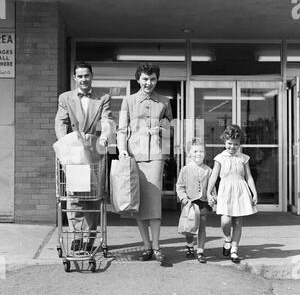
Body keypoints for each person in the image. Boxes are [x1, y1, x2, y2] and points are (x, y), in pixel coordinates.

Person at [55, 61, 114, 250]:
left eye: (86, 75)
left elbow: (106, 120)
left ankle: (89, 238)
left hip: (94, 151)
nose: (83, 79)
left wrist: (105, 137)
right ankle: (76, 236)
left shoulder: (103, 97)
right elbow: (60, 122)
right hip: (74, 153)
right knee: (75, 197)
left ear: (92, 76)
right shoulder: (65, 98)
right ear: (75, 78)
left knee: (92, 198)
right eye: (79, 76)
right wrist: (67, 146)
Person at [117, 63, 173, 264]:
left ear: (157, 80)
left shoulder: (165, 102)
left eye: (153, 79)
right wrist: (122, 149)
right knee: (138, 203)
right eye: (145, 79)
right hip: (134, 156)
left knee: (154, 201)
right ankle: (146, 247)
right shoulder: (128, 101)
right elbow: (122, 129)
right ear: (138, 79)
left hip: (156, 155)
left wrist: (161, 129)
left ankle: (157, 247)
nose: (149, 83)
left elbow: (171, 131)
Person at [207, 124, 258, 263]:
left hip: (240, 190)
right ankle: (227, 239)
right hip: (225, 191)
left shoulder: (244, 158)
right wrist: (208, 191)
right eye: (229, 143)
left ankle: (234, 249)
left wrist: (254, 193)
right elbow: (214, 176)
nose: (232, 147)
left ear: (240, 144)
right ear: (224, 142)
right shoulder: (220, 158)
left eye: (236, 144)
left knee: (238, 223)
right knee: (226, 220)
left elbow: (249, 177)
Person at [176, 139, 214, 264]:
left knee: (202, 227)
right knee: (190, 228)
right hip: (190, 204)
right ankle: (189, 244)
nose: (198, 154)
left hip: (203, 202)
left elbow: (212, 186)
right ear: (190, 153)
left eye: (201, 151)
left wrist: (213, 197)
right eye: (195, 151)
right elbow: (180, 186)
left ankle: (200, 251)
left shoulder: (208, 170)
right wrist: (183, 198)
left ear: (205, 153)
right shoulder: (185, 169)